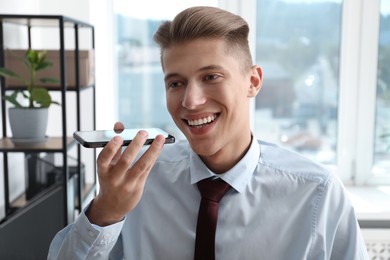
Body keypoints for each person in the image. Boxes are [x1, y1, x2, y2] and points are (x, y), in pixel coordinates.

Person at [48, 6, 369, 260]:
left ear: (253, 82)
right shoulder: (135, 183)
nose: (190, 101)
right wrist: (106, 213)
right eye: (175, 83)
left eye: (211, 76)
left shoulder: (316, 195)